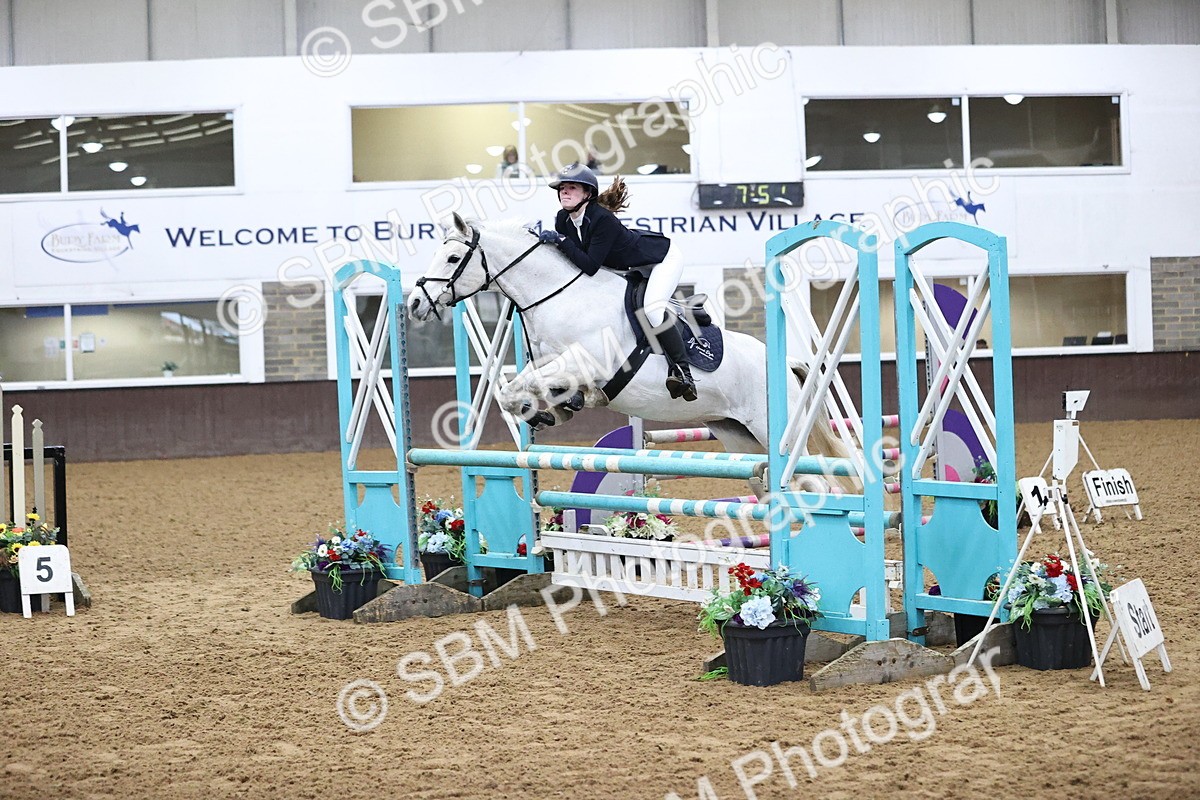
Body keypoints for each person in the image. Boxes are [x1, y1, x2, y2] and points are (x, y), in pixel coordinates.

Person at [537, 163, 696, 401]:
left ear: (588, 194)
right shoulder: (563, 219)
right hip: (627, 267)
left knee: (652, 310)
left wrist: (560, 241)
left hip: (661, 260)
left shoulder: (602, 219)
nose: (564, 192)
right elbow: (574, 263)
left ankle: (683, 372)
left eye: (571, 187)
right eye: (561, 188)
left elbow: (590, 266)